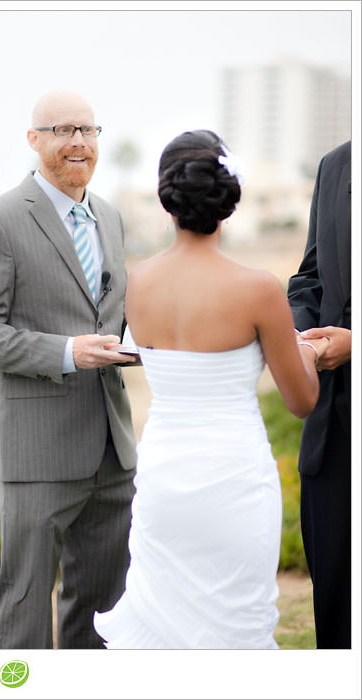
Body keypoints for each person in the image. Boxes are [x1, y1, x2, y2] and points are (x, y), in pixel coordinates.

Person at [94, 130, 324, 648]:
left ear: (166, 197)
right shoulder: (259, 288)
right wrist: (307, 350)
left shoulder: (140, 282)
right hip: (233, 482)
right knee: (234, 629)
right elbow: (301, 400)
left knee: (161, 628)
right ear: (228, 195)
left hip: (163, 479)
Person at [0, 90, 137, 648]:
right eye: (62, 130)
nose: (78, 141)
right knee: (25, 606)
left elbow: (112, 312)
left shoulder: (109, 216)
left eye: (88, 130)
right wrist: (66, 353)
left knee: (105, 609)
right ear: (35, 141)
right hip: (37, 449)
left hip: (114, 446)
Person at [287, 140, 351, 649]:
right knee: (334, 610)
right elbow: (308, 280)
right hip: (332, 433)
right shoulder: (336, 164)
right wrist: (302, 342)